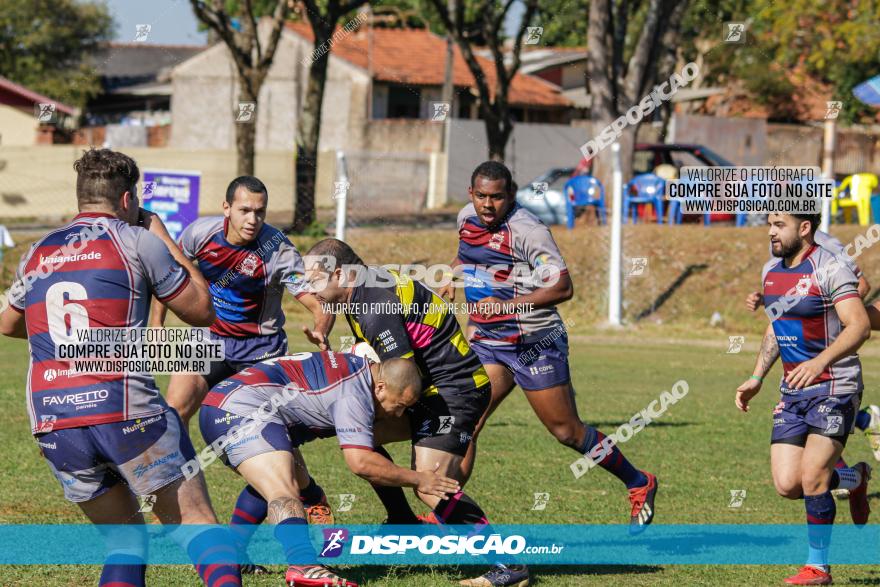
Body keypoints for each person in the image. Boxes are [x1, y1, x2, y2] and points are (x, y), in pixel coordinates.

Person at [0, 148, 242, 587]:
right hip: (125, 413)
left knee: (125, 542)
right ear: (128, 200)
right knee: (198, 527)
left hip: (56, 423)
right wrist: (163, 235)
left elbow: (9, 324)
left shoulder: (38, 252)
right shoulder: (136, 240)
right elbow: (203, 310)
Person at [441, 161, 658, 535]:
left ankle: (639, 481)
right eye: (481, 196)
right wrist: (452, 274)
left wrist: (507, 306)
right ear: (470, 194)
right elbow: (469, 254)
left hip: (533, 342)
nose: (488, 205)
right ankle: (446, 513)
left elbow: (562, 288)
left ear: (511, 195)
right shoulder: (467, 218)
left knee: (567, 432)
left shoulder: (529, 231)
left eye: (496, 197)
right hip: (490, 343)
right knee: (466, 423)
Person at [302, 239, 527, 587]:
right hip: (436, 386)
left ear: (341, 274)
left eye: (315, 280)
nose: (308, 288)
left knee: (430, 486)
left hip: (454, 391)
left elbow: (402, 381)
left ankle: (509, 566)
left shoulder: (374, 306)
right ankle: (402, 521)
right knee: (360, 440)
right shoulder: (366, 288)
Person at [149, 176, 335, 571]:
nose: (253, 219)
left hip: (260, 351)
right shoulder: (200, 234)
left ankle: (309, 497)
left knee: (272, 450)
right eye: (245, 210)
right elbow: (167, 277)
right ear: (226, 208)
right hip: (208, 340)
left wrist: (321, 323)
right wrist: (156, 323)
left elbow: (316, 300)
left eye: (260, 211)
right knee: (171, 414)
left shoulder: (277, 249)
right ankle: (171, 503)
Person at [200, 351, 460, 587]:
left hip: (236, 401)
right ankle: (303, 565)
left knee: (289, 482)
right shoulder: (354, 393)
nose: (397, 413)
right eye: (399, 405)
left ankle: (233, 551)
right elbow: (360, 462)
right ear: (380, 387)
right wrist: (419, 479)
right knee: (283, 489)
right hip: (240, 410)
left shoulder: (359, 370)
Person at [735, 213, 872, 586]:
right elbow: (777, 327)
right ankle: (854, 477)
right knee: (787, 485)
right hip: (793, 391)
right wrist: (756, 376)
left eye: (779, 224)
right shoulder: (771, 271)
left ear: (805, 227)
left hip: (836, 385)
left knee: (812, 478)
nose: (771, 231)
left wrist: (820, 361)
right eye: (769, 223)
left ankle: (818, 568)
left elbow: (860, 325)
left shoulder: (830, 266)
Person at [746, 229, 880, 463]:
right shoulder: (779, 240)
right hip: (800, 357)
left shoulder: (824, 244)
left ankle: (862, 427)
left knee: (815, 462)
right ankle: (840, 473)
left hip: (831, 360)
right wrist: (766, 299)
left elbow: (861, 285)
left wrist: (829, 312)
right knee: (801, 466)